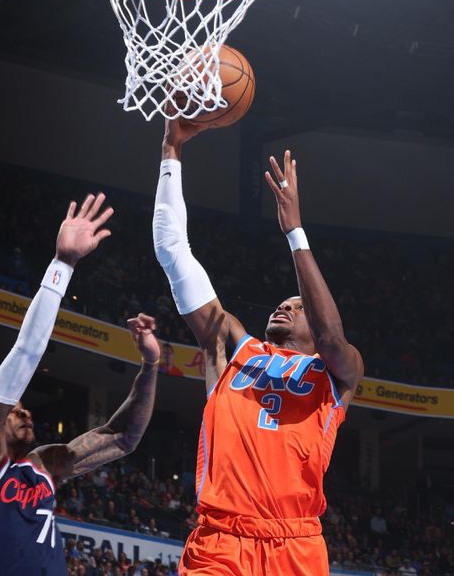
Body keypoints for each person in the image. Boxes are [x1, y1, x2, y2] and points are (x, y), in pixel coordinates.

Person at [153, 119, 365, 575]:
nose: (284, 309)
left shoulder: (336, 374)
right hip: (222, 540)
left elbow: (330, 338)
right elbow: (173, 251)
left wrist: (295, 232)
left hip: (296, 545)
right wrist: (171, 150)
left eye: (298, 306)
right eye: (281, 304)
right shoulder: (231, 348)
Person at [0, 193, 161, 576]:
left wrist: (150, 363)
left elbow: (123, 437)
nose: (25, 411)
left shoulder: (43, 465)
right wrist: (63, 264)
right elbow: (26, 353)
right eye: (13, 410)